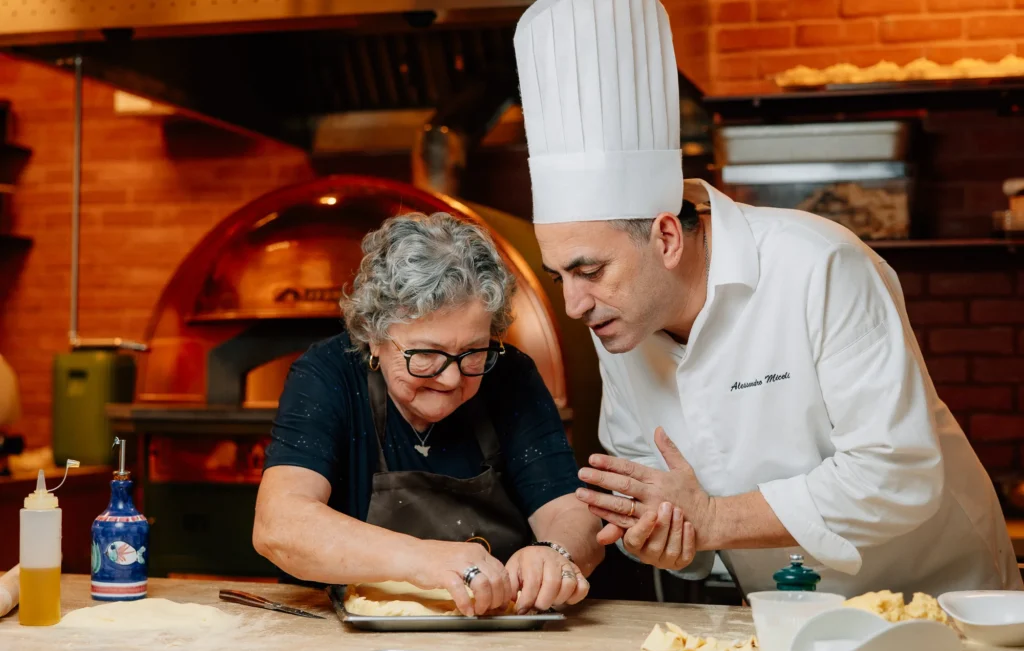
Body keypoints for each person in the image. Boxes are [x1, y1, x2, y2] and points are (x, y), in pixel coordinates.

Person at [513, 0, 1022, 597]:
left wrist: (713, 520)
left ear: (667, 237)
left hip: (938, 600)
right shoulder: (620, 319)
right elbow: (651, 487)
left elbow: (896, 472)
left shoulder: (819, 264)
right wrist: (661, 536)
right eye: (559, 278)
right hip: (783, 613)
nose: (574, 304)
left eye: (589, 270)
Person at [253, 212, 603, 617]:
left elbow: (570, 513)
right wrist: (428, 561)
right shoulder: (328, 374)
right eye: (426, 355)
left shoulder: (510, 375)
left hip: (494, 636)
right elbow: (279, 525)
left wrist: (554, 553)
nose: (452, 377)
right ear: (373, 335)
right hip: (345, 638)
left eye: (474, 352)